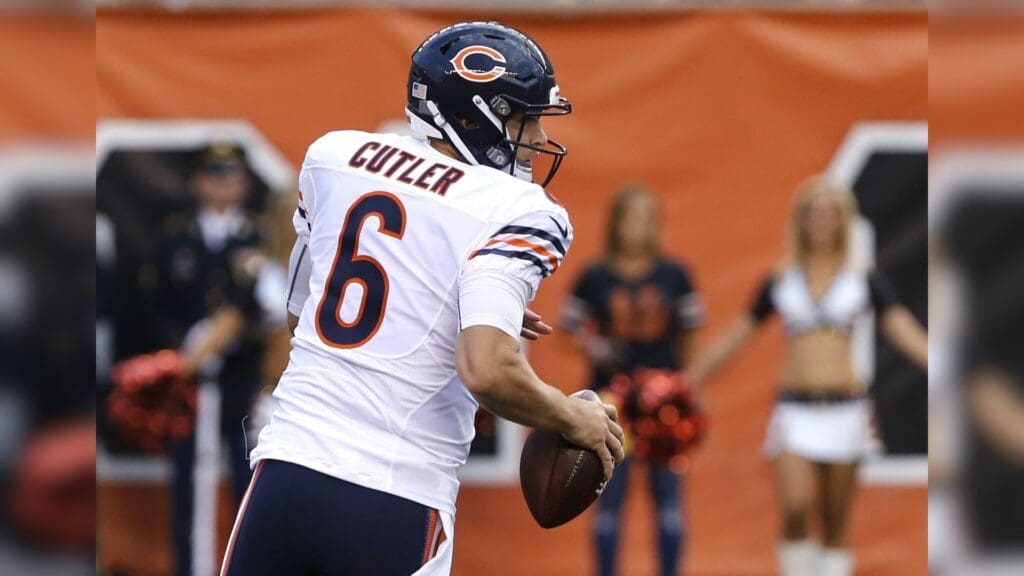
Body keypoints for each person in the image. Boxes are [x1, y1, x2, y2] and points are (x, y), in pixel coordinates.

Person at [222, 21, 624, 576]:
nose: (534, 137)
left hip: (285, 473)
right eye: (522, 118)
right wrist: (572, 416)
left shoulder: (336, 158)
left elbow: (303, 315)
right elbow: (487, 371)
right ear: (471, 115)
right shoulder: (520, 207)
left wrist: (438, 296)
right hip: (394, 495)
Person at [689, 176, 928, 576]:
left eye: (831, 214)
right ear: (800, 221)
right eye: (813, 213)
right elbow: (737, 337)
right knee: (796, 507)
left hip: (846, 410)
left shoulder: (862, 278)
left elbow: (904, 330)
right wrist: (687, 381)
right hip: (796, 411)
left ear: (843, 221)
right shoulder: (781, 279)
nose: (821, 222)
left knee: (835, 521)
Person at [559, 185, 705, 576]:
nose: (638, 227)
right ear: (616, 223)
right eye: (631, 217)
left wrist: (687, 385)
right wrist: (592, 347)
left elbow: (691, 334)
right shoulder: (595, 276)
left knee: (669, 502)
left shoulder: (675, 274)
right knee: (607, 501)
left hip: (665, 404)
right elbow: (568, 326)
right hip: (612, 404)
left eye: (646, 218)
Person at [150, 143, 266, 576]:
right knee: (186, 490)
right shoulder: (174, 238)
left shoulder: (259, 238)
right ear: (197, 181)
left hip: (241, 387)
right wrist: (186, 343)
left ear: (244, 182)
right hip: (188, 384)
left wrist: (233, 340)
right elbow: (153, 306)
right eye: (213, 175)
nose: (222, 184)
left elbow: (275, 313)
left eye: (231, 175)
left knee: (248, 486)